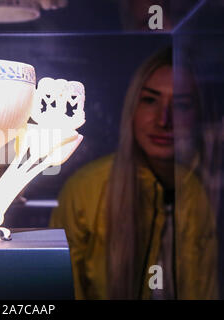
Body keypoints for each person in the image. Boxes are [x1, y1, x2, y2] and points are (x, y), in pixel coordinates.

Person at [49, 47, 218, 299]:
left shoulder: (198, 192)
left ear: (197, 115)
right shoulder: (86, 190)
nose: (164, 120)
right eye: (150, 100)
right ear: (131, 109)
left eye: (181, 105)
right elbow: (60, 288)